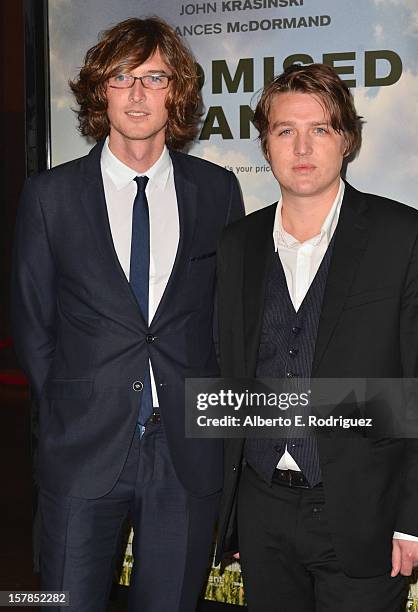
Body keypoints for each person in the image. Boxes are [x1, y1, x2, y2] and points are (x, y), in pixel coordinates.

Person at [12, 16, 243, 612]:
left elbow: (222, 323)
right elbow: (34, 326)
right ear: (100, 90)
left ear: (178, 91)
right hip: (83, 452)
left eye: (154, 77)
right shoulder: (49, 197)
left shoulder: (217, 191)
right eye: (121, 77)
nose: (137, 93)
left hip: (186, 459)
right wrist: (73, 409)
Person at [215, 63, 418, 611]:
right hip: (262, 509)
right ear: (266, 144)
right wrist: (233, 516)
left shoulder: (406, 237)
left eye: (321, 129)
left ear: (348, 139)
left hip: (369, 514)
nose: (302, 146)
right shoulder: (237, 244)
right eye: (285, 130)